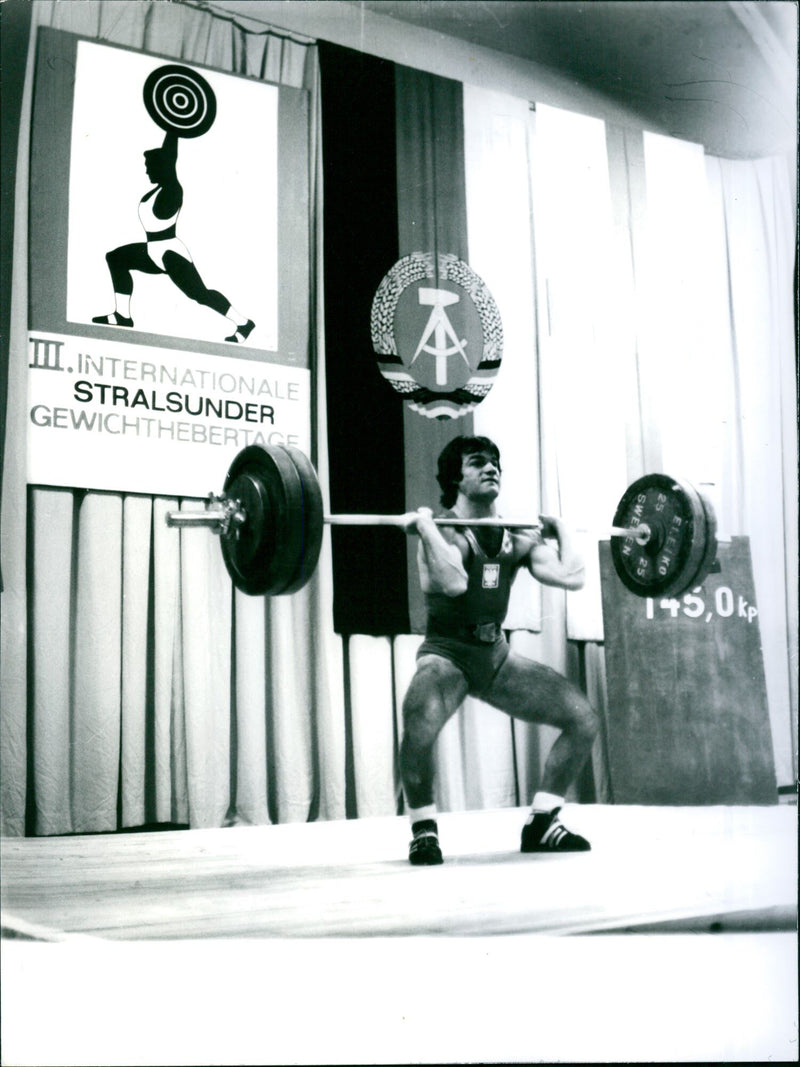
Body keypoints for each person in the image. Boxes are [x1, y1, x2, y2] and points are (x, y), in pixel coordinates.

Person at [400, 435, 599, 865]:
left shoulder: (512, 535)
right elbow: (454, 583)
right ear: (457, 477)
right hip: (447, 655)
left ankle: (543, 822)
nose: (492, 469)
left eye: (496, 463)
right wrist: (426, 526)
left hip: (495, 657)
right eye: (478, 463)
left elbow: (572, 577)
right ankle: (423, 830)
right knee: (418, 726)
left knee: (582, 718)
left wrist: (561, 528)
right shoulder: (445, 528)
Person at [93, 132, 255, 344]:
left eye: (149, 166)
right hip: (153, 250)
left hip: (170, 253)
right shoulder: (158, 189)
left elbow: (170, 156)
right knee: (116, 258)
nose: (146, 170)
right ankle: (123, 316)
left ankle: (243, 323)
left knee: (200, 295)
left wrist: (173, 127)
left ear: (163, 167)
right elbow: (167, 158)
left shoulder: (171, 189)